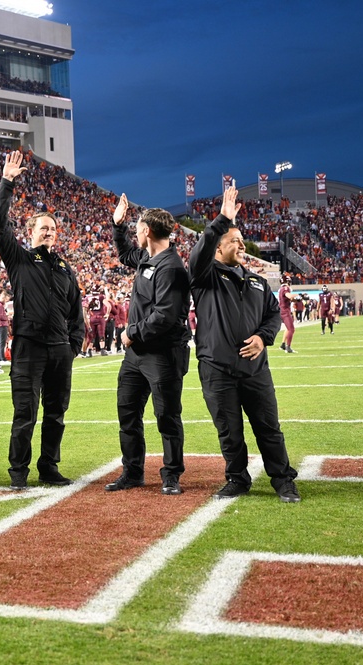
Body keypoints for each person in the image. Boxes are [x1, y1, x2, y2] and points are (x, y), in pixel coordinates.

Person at [189, 186, 301, 503]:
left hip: (255, 368)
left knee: (269, 427)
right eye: (233, 241)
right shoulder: (205, 275)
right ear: (217, 247)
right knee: (230, 431)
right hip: (217, 368)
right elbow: (199, 253)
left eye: (241, 241)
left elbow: (273, 315)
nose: (240, 245)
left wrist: (263, 339)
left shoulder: (258, 281)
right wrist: (222, 220)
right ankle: (237, 478)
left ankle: (283, 479)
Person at [0, 150, 84, 489]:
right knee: (25, 413)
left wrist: (74, 344)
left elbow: (77, 312)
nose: (49, 232)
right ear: (30, 232)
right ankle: (19, 472)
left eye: (53, 229)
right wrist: (7, 182)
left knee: (56, 414)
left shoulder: (65, 269)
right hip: (29, 347)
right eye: (43, 228)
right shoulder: (19, 259)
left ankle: (49, 467)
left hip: (59, 350)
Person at [104, 196, 191, 495]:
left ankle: (172, 474)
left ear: (148, 232)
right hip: (137, 355)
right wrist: (119, 225)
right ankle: (132, 471)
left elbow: (165, 316)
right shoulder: (148, 258)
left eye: (138, 228)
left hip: (162, 353)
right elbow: (126, 253)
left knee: (167, 415)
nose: (136, 233)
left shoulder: (172, 268)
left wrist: (132, 333)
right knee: (127, 413)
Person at [277, 276, 297, 353]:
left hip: (282, 310)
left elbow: (287, 299)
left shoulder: (281, 289)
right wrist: (298, 295)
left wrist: (295, 299)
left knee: (288, 329)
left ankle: (283, 344)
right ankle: (288, 347)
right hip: (285, 311)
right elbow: (288, 296)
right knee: (291, 329)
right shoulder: (285, 288)